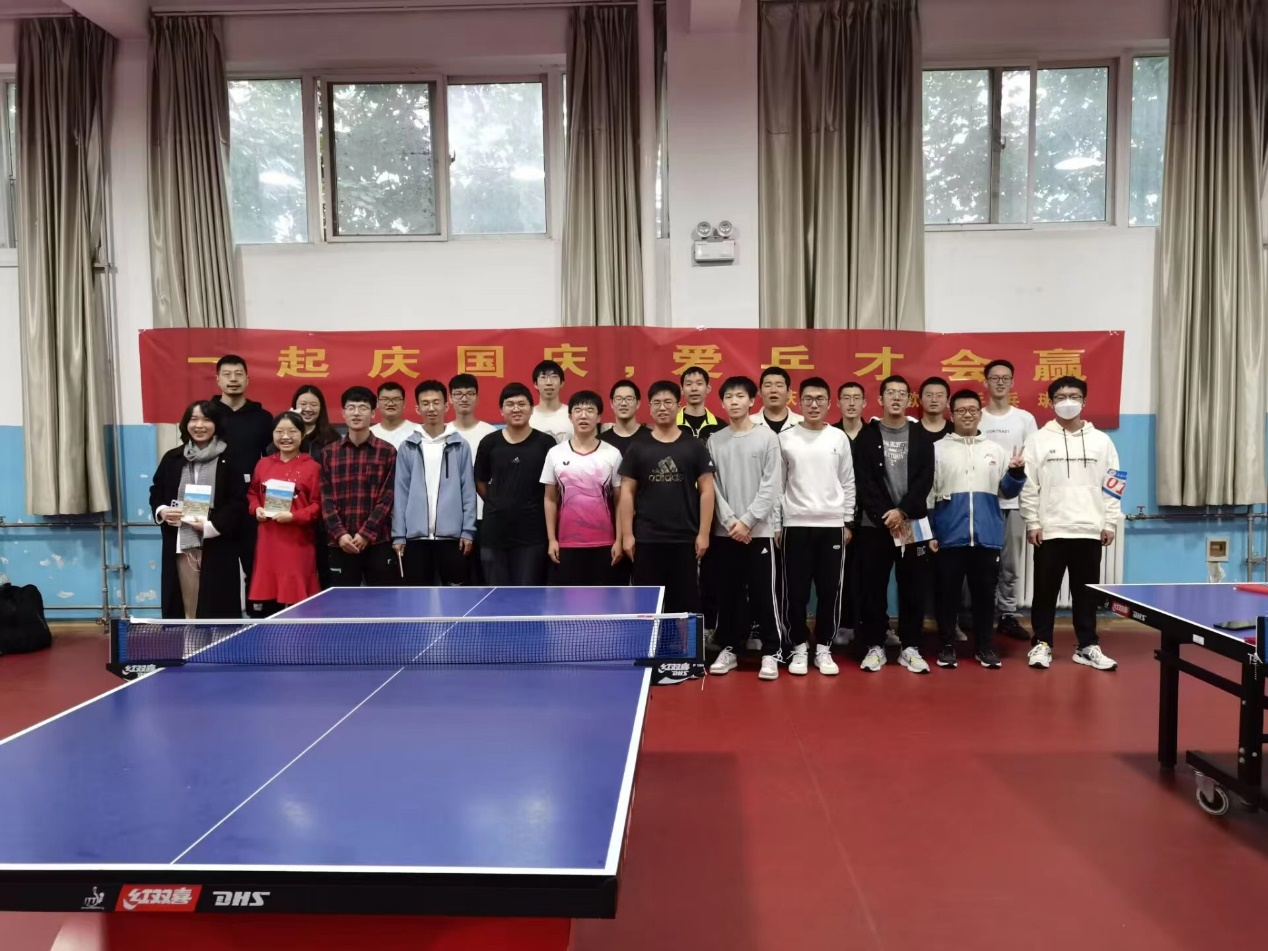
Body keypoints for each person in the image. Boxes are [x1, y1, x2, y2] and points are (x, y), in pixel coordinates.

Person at [1021, 376, 1121, 671]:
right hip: (1050, 530)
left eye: (1074, 396)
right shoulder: (1038, 440)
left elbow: (1114, 484)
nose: (1068, 401)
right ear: (1051, 402)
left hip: (1090, 529)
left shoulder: (1101, 441)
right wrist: (1032, 522)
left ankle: (1087, 646)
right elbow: (1028, 485)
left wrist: (1109, 522)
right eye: (1061, 396)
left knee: (1086, 594)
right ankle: (1042, 644)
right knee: (1045, 592)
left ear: (1084, 401)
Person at [929, 391, 1027, 670]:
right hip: (948, 537)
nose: (967, 415)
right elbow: (929, 495)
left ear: (980, 414)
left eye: (973, 410)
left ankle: (984, 647)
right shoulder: (937, 449)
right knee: (947, 596)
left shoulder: (995, 450)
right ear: (951, 414)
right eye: (961, 410)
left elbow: (1007, 492)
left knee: (985, 597)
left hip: (986, 537)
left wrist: (1016, 473)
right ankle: (947, 646)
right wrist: (931, 533)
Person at [853, 375, 936, 674]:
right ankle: (875, 645)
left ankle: (910, 647)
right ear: (881, 399)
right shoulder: (866, 436)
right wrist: (886, 514)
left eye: (902, 393)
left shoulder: (921, 436)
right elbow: (863, 482)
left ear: (909, 400)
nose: (897, 398)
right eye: (891, 393)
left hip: (912, 523)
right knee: (873, 587)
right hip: (875, 526)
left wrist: (901, 511)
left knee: (913, 587)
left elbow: (925, 480)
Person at [705, 376, 784, 681]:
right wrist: (730, 523)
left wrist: (748, 521)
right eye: (729, 397)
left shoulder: (767, 438)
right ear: (722, 403)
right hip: (726, 534)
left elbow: (771, 484)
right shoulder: (715, 441)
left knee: (764, 594)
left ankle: (771, 651)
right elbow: (713, 488)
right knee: (729, 594)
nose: (734, 401)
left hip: (758, 532)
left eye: (740, 396)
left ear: (752, 401)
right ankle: (729, 648)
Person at [777, 377, 855, 677]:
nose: (813, 404)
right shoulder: (785, 438)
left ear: (829, 403)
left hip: (832, 525)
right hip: (795, 524)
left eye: (820, 399)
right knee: (795, 592)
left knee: (829, 591)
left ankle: (823, 646)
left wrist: (846, 521)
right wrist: (778, 524)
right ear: (799, 402)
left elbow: (848, 482)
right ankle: (798, 645)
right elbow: (777, 485)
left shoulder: (838, 438)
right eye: (808, 399)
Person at [618, 380, 715, 614]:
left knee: (683, 606)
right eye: (657, 403)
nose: (662, 407)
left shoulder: (694, 446)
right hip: (646, 540)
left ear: (678, 406)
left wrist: (703, 534)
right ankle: (649, 640)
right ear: (649, 408)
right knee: (646, 606)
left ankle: (682, 640)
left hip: (685, 539)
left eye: (668, 402)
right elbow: (627, 492)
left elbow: (707, 490)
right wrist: (627, 535)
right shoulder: (638, 447)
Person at [149, 400, 247, 619]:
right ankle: (188, 639)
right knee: (186, 602)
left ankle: (219, 642)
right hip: (181, 541)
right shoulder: (173, 458)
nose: (199, 425)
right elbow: (156, 491)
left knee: (218, 603)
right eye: (194, 419)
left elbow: (238, 501)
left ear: (217, 424)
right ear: (186, 424)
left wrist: (211, 526)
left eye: (206, 419)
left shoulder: (230, 458)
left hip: (218, 540)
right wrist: (162, 510)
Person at [977, 359, 1039, 642]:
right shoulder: (976, 416)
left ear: (1013, 382)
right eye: (994, 378)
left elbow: (1032, 464)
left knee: (1011, 564)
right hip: (982, 501)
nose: (1000, 382)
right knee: (980, 562)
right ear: (986, 382)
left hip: (1014, 503)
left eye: (1005, 378)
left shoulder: (1024, 419)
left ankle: (1008, 614)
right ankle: (977, 613)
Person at [393, 380, 476, 587]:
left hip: (452, 537)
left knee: (455, 595)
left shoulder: (460, 445)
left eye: (436, 402)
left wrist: (468, 530)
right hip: (415, 538)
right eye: (425, 403)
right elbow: (400, 493)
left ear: (446, 406)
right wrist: (399, 535)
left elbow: (468, 490)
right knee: (417, 597)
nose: (431, 408)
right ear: (417, 408)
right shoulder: (407, 446)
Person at [476, 383, 558, 585]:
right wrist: (497, 501)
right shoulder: (489, 442)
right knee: (496, 595)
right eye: (510, 404)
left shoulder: (546, 443)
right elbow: (480, 481)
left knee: (528, 594)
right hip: (494, 533)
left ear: (531, 409)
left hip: (533, 534)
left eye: (522, 404)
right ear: (501, 410)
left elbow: (553, 488)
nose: (516, 409)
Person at [541, 391, 624, 586]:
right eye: (578, 410)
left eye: (590, 410)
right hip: (566, 543)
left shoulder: (612, 454)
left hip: (605, 543)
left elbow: (620, 501)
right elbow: (550, 499)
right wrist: (552, 540)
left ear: (599, 417)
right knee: (569, 601)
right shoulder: (555, 453)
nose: (583, 415)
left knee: (604, 601)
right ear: (570, 417)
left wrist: (619, 540)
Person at [317, 387, 397, 587]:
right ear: (343, 413)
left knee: (382, 600)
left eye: (363, 408)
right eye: (351, 408)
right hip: (340, 543)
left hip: (378, 541)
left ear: (373, 413)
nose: (356, 413)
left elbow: (388, 497)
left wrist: (365, 534)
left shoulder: (387, 452)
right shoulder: (328, 453)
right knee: (342, 601)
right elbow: (325, 500)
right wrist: (340, 534)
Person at [247, 411, 323, 615]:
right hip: (268, 541)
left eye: (292, 431)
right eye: (279, 431)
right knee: (269, 603)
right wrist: (256, 508)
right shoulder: (263, 464)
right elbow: (252, 493)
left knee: (299, 603)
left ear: (303, 434)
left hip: (298, 542)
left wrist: (294, 517)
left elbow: (318, 505)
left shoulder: (313, 467)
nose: (286, 437)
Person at [210, 354, 272, 600]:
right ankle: (220, 619)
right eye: (227, 374)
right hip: (217, 502)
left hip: (252, 503)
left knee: (255, 567)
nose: (233, 379)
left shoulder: (263, 417)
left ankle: (258, 615)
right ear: (218, 380)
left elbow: (272, 460)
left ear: (248, 379)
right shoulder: (207, 415)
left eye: (238, 374)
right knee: (218, 571)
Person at [447, 373, 498, 583]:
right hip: (452, 519)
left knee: (486, 576)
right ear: (450, 399)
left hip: (485, 517)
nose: (464, 398)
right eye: (458, 394)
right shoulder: (444, 433)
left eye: (469, 393)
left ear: (477, 397)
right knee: (459, 577)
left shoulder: (490, 433)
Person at [529, 359, 573, 443]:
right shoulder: (527, 416)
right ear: (535, 384)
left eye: (554, 377)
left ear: (562, 383)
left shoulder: (573, 415)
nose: (549, 382)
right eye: (543, 377)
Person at [600, 380, 650, 454]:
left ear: (638, 403)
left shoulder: (651, 438)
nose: (623, 403)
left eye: (629, 399)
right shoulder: (601, 441)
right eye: (618, 399)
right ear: (611, 403)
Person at [291, 385, 341, 457]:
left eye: (314, 405)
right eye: (303, 404)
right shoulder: (285, 435)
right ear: (295, 406)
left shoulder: (332, 437)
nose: (308, 409)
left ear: (321, 408)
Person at [369, 381, 421, 449]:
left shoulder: (417, 431)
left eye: (396, 399)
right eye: (385, 399)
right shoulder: (370, 433)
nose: (390, 404)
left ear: (404, 403)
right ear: (377, 403)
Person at [751, 367, 803, 433]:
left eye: (779, 385)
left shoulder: (803, 423)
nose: (773, 390)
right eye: (768, 385)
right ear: (760, 392)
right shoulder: (748, 424)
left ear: (789, 392)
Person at [677, 366, 718, 437]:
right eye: (688, 384)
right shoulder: (671, 425)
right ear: (682, 389)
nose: (694, 389)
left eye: (699, 383)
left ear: (708, 388)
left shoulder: (720, 426)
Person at [918, 377, 952, 441]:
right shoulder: (909, 430)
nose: (934, 400)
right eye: (929, 395)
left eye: (939, 396)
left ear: (948, 400)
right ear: (920, 400)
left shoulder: (956, 431)